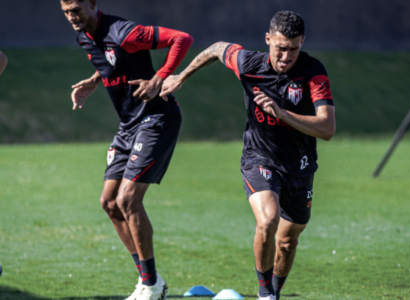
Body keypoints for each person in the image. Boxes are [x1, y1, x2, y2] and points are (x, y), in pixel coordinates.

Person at [161, 11, 335, 300]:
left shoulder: (313, 73)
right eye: (280, 48)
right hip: (259, 158)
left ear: (302, 42)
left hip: (300, 167)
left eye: (293, 49)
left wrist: (282, 113)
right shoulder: (248, 63)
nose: (286, 56)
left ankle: (274, 293)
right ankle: (264, 293)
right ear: (268, 40)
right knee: (268, 220)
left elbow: (327, 128)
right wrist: (182, 76)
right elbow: (217, 49)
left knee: (288, 241)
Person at [60, 1, 193, 300]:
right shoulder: (83, 35)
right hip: (128, 125)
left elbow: (182, 39)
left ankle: (150, 286)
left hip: (157, 117)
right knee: (109, 202)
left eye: (77, 9)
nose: (72, 16)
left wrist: (160, 77)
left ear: (93, 4)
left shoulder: (124, 32)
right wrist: (96, 80)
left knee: (128, 199)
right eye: (66, 11)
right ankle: (151, 280)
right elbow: (110, 60)